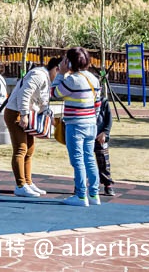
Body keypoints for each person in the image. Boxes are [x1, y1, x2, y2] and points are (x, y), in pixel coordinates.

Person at [51, 47, 101, 207]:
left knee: (77, 160)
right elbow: (98, 103)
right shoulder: (94, 79)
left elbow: (54, 93)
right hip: (91, 123)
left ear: (71, 62)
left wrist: (60, 73)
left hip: (75, 125)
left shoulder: (71, 80)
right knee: (89, 158)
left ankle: (80, 196)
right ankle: (94, 194)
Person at [4, 56, 61, 198]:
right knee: (21, 148)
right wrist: (23, 114)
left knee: (29, 149)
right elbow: (25, 93)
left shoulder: (46, 79)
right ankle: (20, 185)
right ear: (56, 69)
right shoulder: (39, 75)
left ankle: (28, 182)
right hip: (16, 112)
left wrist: (50, 116)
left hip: (27, 114)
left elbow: (42, 102)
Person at [95, 87, 116, 197]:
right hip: (87, 134)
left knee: (103, 161)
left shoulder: (103, 101)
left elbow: (109, 119)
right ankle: (81, 184)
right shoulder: (83, 100)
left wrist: (105, 132)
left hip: (100, 135)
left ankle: (107, 184)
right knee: (82, 162)